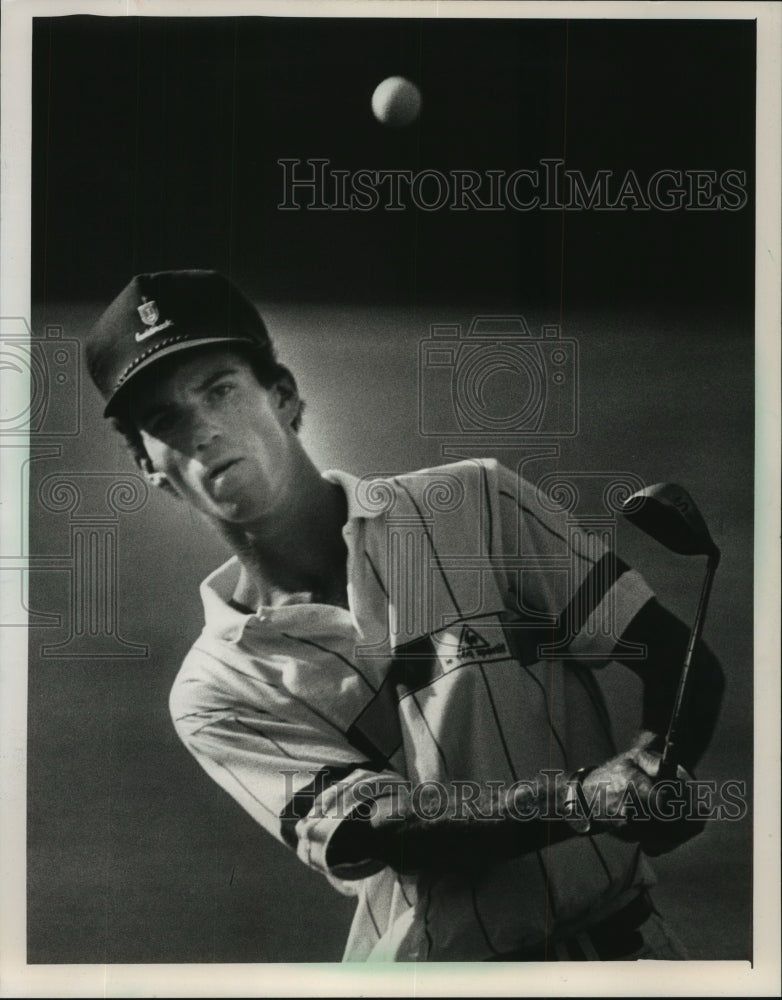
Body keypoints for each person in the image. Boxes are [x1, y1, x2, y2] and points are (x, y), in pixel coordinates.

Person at [86, 269, 724, 962]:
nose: (204, 430)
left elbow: (675, 654)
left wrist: (659, 766)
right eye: (165, 420)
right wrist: (580, 801)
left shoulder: (477, 502)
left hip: (636, 953)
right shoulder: (214, 689)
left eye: (221, 390)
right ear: (147, 464)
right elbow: (384, 829)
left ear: (283, 395)